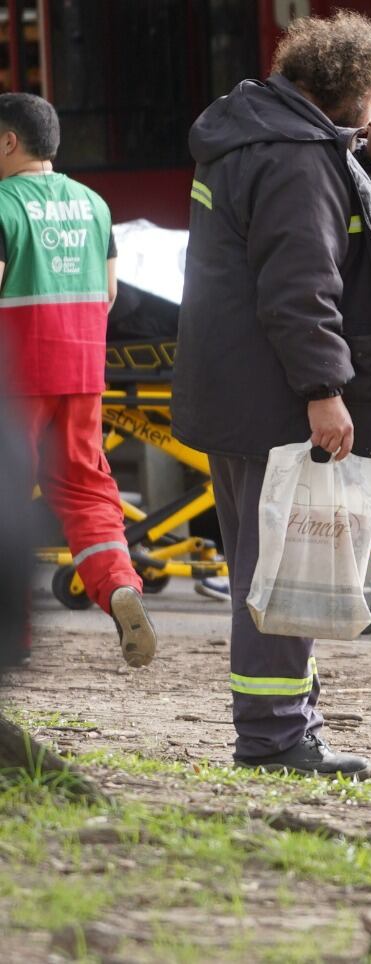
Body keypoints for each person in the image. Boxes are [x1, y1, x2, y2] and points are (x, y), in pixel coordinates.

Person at [174, 11, 371, 780]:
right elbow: (301, 287)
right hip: (276, 392)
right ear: (351, 88)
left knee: (271, 566)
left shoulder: (260, 133)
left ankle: (285, 727)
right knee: (279, 573)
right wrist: (324, 388)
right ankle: (277, 739)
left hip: (238, 387)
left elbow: (320, 246)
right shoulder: (294, 157)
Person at [0, 93, 155, 667]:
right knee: (88, 490)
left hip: (15, 378)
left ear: (9, 142)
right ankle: (119, 586)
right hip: (82, 369)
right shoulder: (93, 203)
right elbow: (110, 293)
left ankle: (11, 640)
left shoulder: (0, 204)